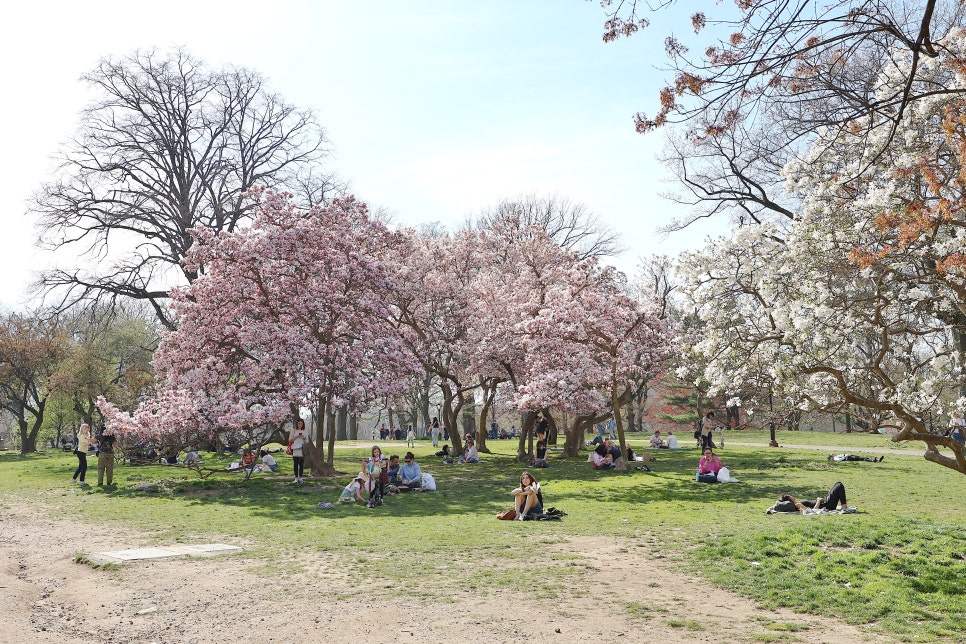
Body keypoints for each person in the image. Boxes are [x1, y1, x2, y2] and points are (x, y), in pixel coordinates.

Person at [779, 482, 851, 511]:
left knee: (838, 484)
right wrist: (818, 501)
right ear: (789, 499)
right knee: (839, 485)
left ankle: (844, 506)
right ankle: (844, 507)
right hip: (827, 505)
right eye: (789, 496)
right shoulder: (797, 505)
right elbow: (813, 511)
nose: (791, 495)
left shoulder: (797, 504)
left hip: (825, 502)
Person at [289, 418, 308, 483]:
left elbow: (307, 441)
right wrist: (297, 436)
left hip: (302, 448)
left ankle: (300, 477)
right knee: (295, 463)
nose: (300, 425)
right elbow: (290, 440)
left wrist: (304, 437)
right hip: (295, 448)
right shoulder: (293, 431)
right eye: (299, 424)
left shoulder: (305, 431)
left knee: (301, 464)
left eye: (301, 424)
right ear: (297, 424)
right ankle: (296, 478)